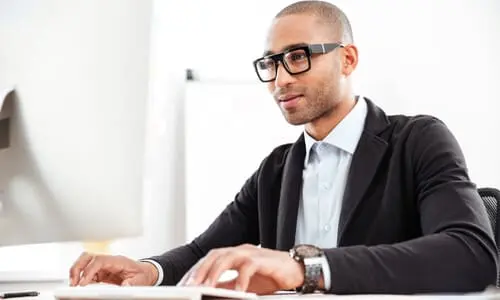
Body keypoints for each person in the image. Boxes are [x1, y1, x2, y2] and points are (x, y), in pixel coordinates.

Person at [69, 0, 497, 295]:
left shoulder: (417, 140)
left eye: (298, 57)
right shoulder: (277, 169)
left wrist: (303, 269)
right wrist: (149, 270)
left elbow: (470, 252)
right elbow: (203, 252)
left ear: (347, 60)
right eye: (272, 63)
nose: (280, 79)